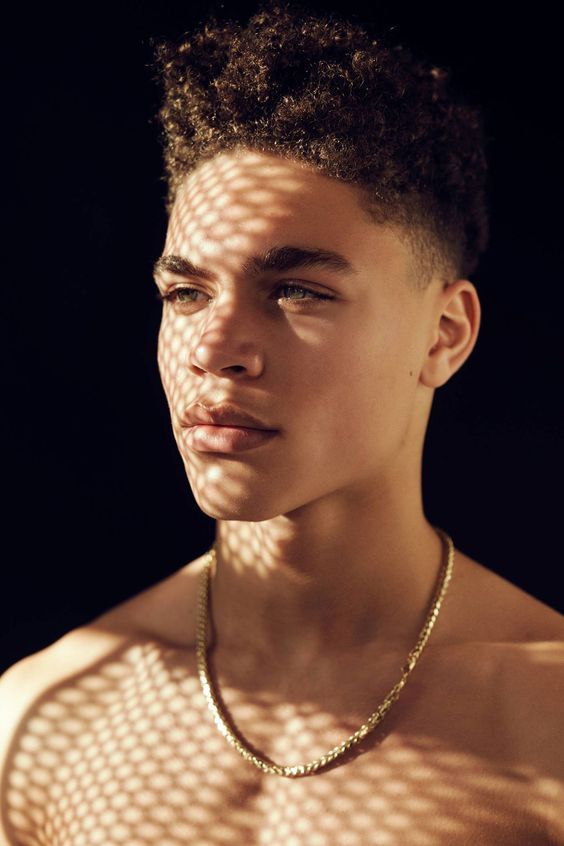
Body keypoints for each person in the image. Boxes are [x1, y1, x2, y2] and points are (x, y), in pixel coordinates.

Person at [1, 2, 563, 843]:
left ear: (444, 335)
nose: (214, 348)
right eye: (186, 293)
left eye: (297, 290)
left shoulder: (543, 721)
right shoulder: (45, 723)